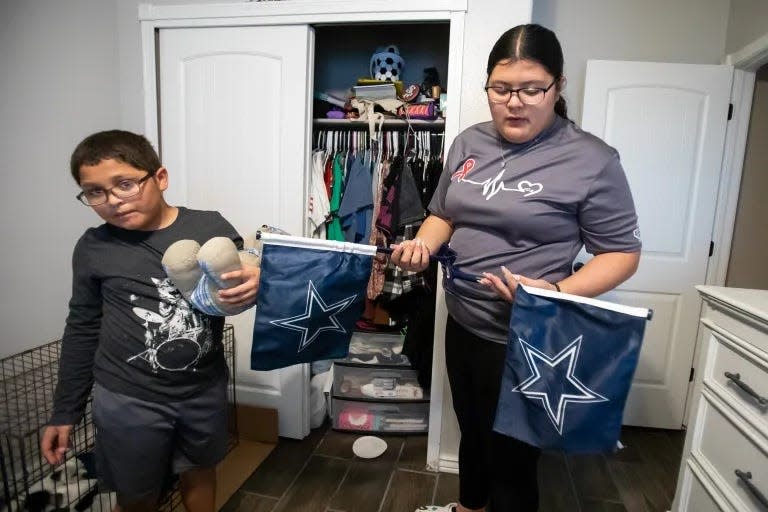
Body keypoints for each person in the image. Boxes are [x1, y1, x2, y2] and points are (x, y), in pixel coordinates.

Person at [392, 24, 641, 512]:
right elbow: (444, 213)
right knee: (473, 437)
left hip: (526, 339)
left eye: (532, 89)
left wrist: (553, 291)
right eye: (501, 89)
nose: (515, 102)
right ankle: (468, 508)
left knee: (511, 463)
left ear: (558, 87)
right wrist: (423, 243)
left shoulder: (591, 160)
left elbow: (622, 254)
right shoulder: (468, 143)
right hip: (462, 324)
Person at [40, 130, 260, 512]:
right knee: (137, 491)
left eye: (125, 184)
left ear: (160, 178)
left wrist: (259, 276)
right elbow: (82, 325)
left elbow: (246, 271)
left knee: (200, 471)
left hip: (202, 388)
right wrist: (65, 411)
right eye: (94, 192)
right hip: (127, 397)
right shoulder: (95, 247)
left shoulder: (209, 225)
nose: (112, 201)